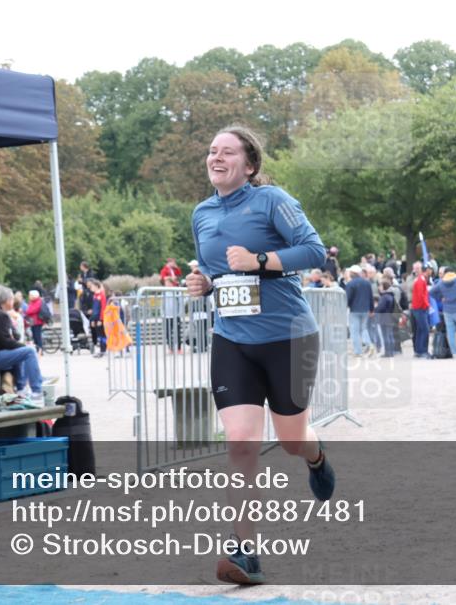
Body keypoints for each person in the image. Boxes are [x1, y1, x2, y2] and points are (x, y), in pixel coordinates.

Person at [184, 125, 334, 585]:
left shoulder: (273, 201)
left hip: (287, 337)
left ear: (249, 165)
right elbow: (217, 270)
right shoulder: (201, 213)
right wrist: (204, 284)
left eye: (227, 152)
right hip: (232, 339)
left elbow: (314, 251)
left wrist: (261, 260)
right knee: (242, 443)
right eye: (212, 151)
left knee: (290, 440)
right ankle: (245, 551)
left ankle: (314, 456)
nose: (216, 157)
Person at [345, 265, 375, 357]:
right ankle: (369, 344)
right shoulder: (367, 283)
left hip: (354, 310)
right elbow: (371, 297)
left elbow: (348, 298)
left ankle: (358, 351)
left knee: (355, 331)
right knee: (363, 329)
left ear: (352, 273)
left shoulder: (350, 284)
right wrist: (371, 309)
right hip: (365, 309)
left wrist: (346, 306)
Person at [410, 264, 431, 359]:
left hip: (418, 308)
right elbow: (421, 296)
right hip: (420, 308)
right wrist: (427, 305)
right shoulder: (421, 280)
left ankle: (418, 350)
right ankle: (423, 350)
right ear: (426, 271)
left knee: (419, 330)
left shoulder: (419, 280)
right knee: (425, 330)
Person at [373, 279, 396, 357]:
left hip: (384, 317)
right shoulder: (390, 296)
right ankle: (391, 351)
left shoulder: (384, 297)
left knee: (386, 335)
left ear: (384, 287)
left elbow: (380, 308)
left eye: (380, 286)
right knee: (390, 335)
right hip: (389, 316)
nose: (379, 287)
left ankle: (387, 352)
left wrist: (375, 308)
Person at [24, 290, 45, 355]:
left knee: (37, 337)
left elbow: (30, 310)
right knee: (35, 337)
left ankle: (40, 351)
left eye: (30, 295)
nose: (29, 297)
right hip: (33, 321)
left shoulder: (38, 301)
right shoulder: (32, 302)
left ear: (34, 296)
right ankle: (37, 350)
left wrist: (28, 311)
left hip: (37, 322)